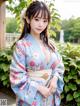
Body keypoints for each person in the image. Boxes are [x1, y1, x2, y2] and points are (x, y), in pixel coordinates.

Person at [10, 1, 64, 106]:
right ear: (28, 19)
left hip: (49, 96)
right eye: (37, 19)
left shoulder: (50, 44)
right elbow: (17, 75)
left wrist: (54, 79)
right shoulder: (22, 45)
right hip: (32, 97)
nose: (41, 24)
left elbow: (59, 65)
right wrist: (39, 88)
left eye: (45, 21)